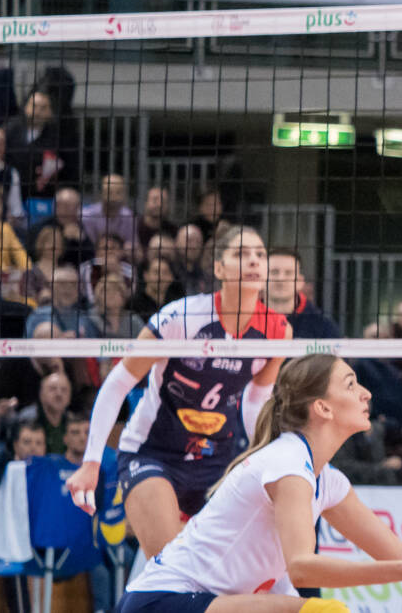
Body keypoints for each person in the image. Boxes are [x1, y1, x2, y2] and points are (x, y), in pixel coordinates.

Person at [114, 352, 402, 612]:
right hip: (165, 601)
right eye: (351, 384)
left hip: (214, 600)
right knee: (325, 611)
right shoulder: (287, 463)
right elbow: (303, 568)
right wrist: (401, 572)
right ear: (323, 408)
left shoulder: (325, 478)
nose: (366, 392)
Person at [65, 226, 292, 559]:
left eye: (260, 254)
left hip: (216, 460)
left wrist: (265, 453)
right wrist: (91, 462)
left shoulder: (277, 330)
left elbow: (257, 399)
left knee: (237, 564)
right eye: (241, 254)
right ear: (219, 268)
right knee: (170, 563)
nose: (255, 261)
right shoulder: (182, 317)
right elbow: (117, 383)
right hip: (152, 453)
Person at [262, 248, 341, 338]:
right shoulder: (248, 319)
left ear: (300, 282)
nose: (281, 279)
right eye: (274, 272)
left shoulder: (324, 328)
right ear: (261, 279)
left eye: (289, 273)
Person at [3, 90, 61, 201]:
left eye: (43, 108)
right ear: (26, 107)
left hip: (41, 196)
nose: (37, 112)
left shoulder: (57, 136)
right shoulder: (10, 129)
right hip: (9, 191)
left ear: (50, 112)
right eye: (34, 106)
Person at [14, 368, 73, 457]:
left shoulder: (72, 422)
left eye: (64, 390)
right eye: (53, 389)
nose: (59, 394)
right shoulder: (27, 418)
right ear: (41, 394)